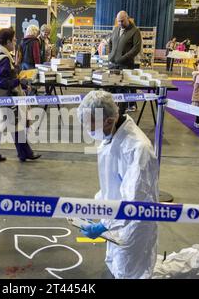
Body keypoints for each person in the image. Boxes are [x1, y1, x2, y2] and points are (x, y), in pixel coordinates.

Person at [77, 90, 159, 279]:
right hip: (114, 219)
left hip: (132, 225)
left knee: (129, 271)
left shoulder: (138, 149)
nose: (90, 132)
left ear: (108, 120)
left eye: (91, 127)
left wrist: (104, 225)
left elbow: (134, 199)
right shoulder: (110, 137)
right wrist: (100, 210)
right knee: (116, 266)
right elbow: (110, 182)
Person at [0, 28, 41, 163]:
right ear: (8, 41)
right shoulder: (3, 58)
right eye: (14, 40)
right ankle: (24, 153)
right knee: (15, 126)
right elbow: (2, 82)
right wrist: (18, 81)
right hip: (5, 99)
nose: (15, 42)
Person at [108, 11, 142, 113]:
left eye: (122, 21)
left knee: (126, 87)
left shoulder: (135, 31)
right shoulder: (116, 29)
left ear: (127, 18)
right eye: (118, 21)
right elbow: (110, 42)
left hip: (126, 65)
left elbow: (136, 48)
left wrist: (124, 57)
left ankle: (128, 107)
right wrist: (111, 55)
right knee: (112, 87)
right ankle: (114, 108)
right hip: (114, 64)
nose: (120, 23)